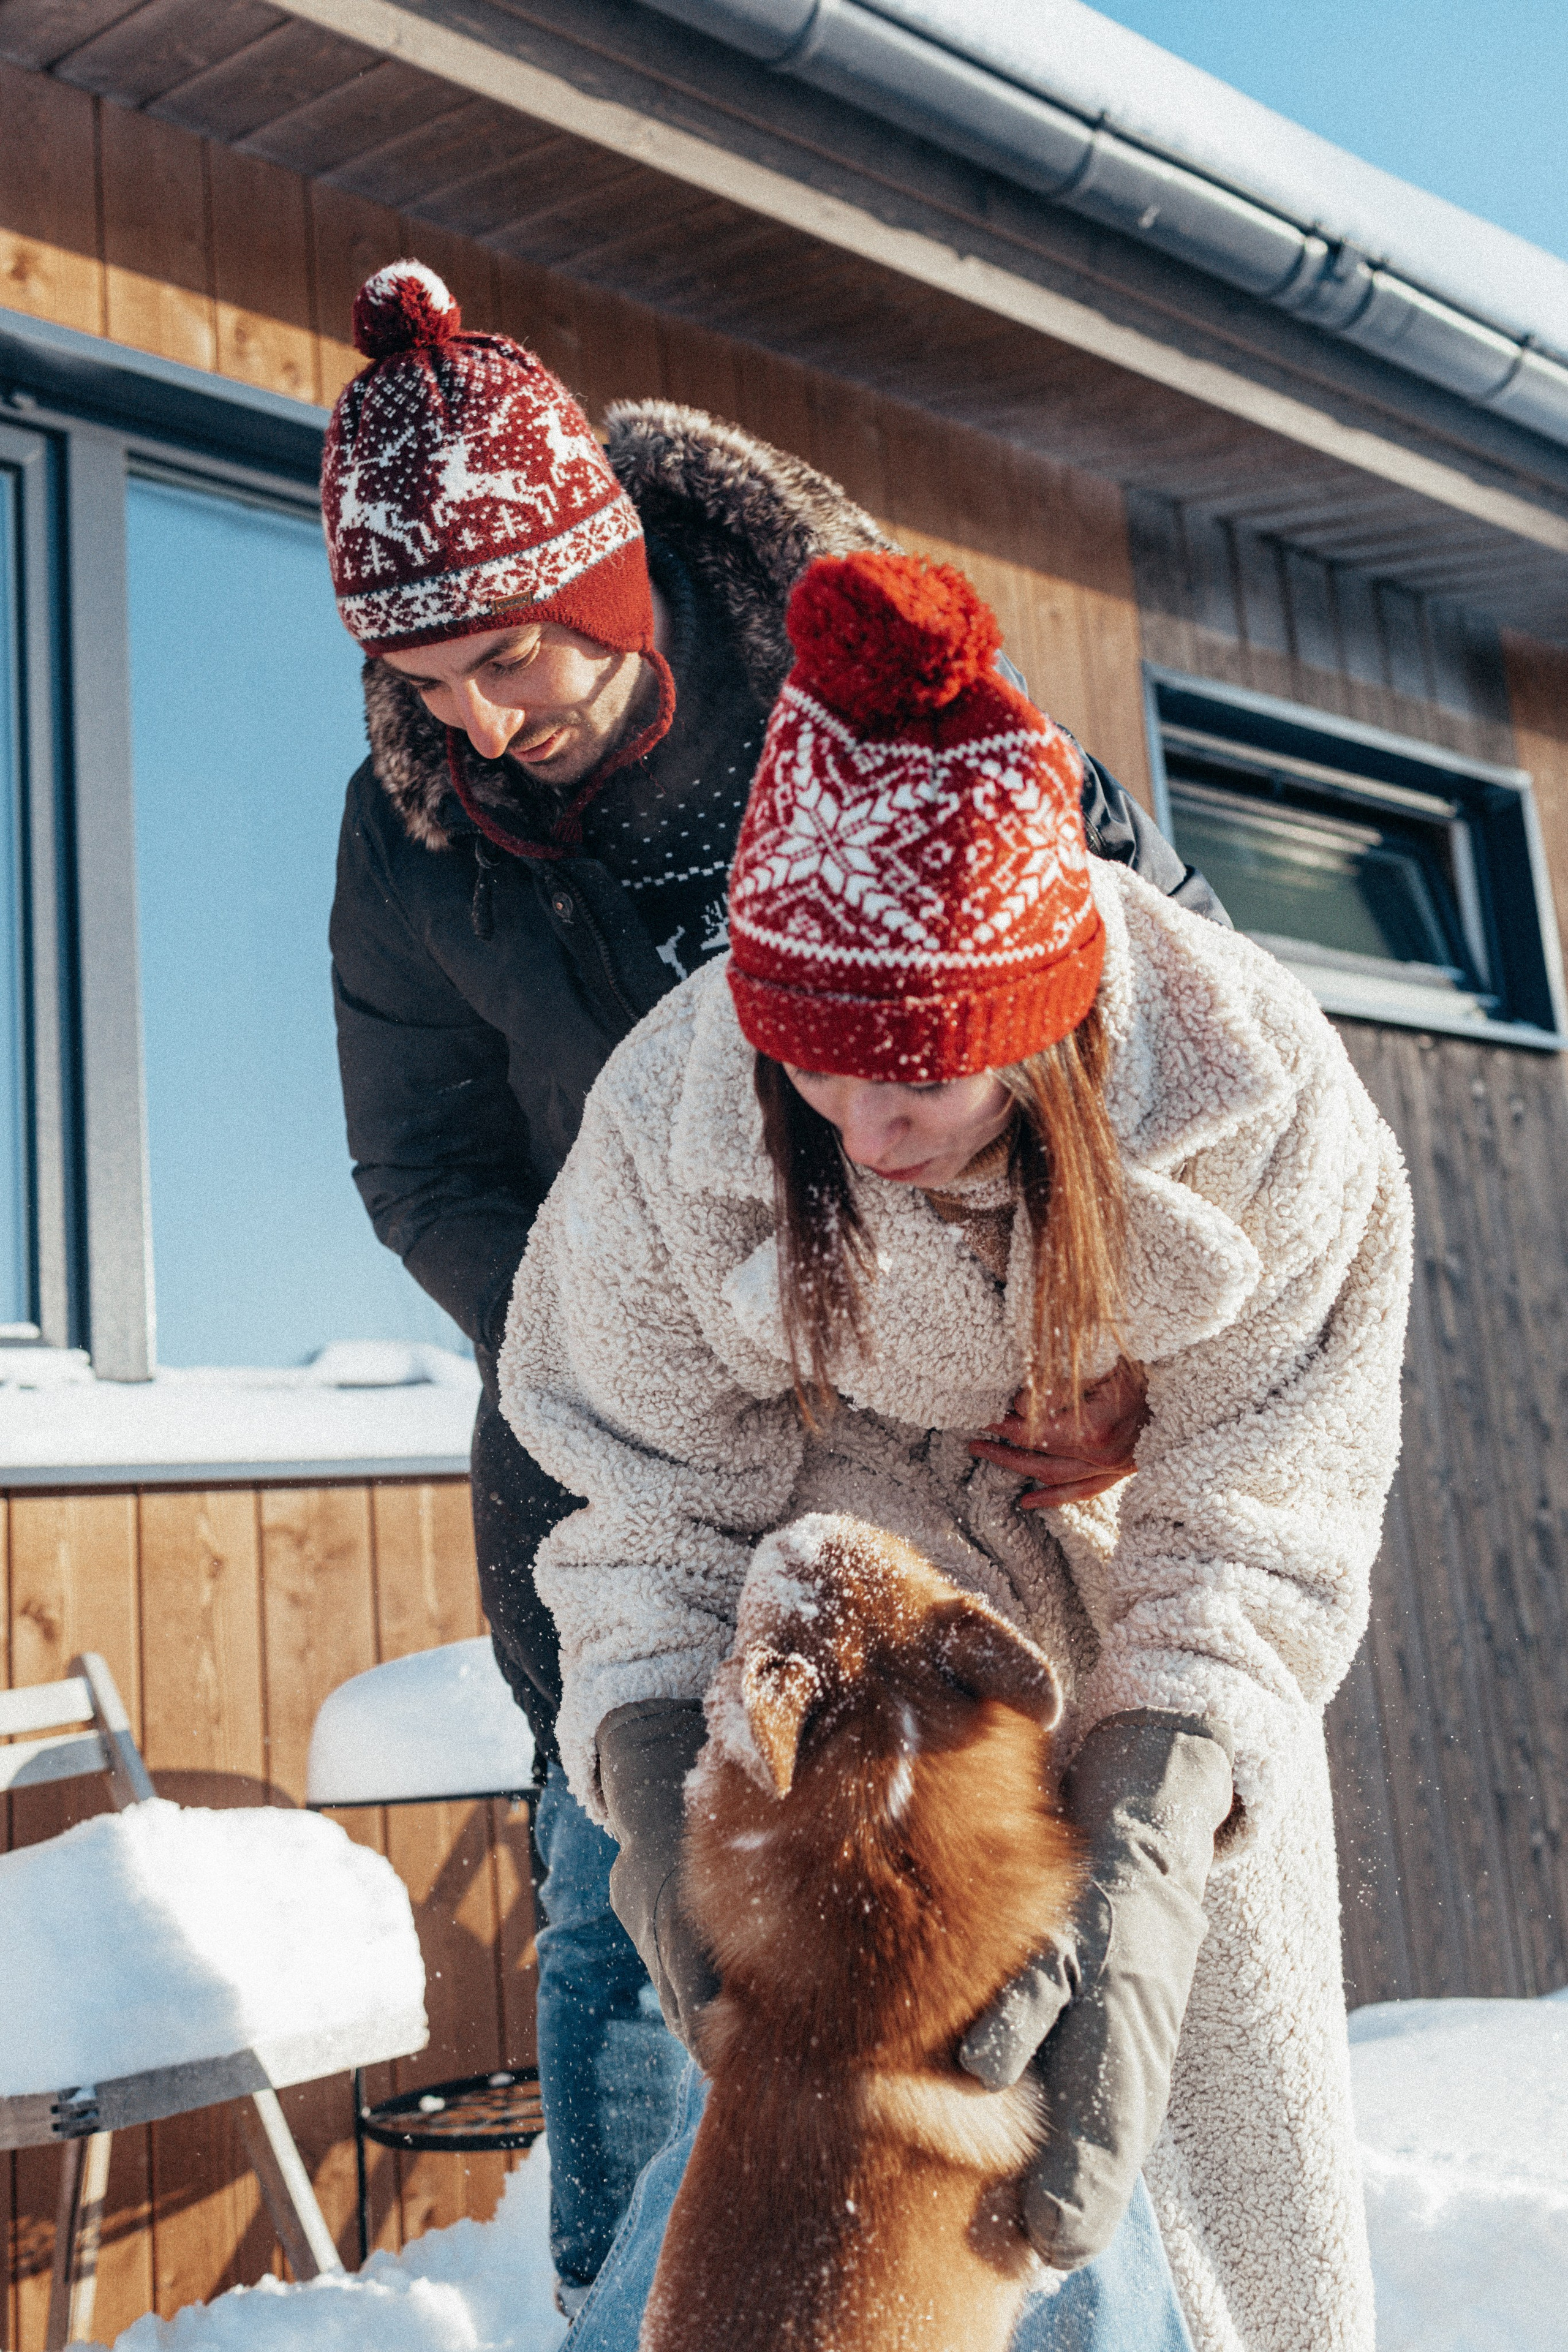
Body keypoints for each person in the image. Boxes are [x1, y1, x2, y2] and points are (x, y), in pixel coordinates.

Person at [319, 258, 1224, 2312]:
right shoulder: (413, 844)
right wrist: (662, 1333)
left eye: (509, 656)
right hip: (624, 1500)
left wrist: (1121, 1355)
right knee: (642, 2010)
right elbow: (423, 1166)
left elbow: (1153, 1010)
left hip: (954, 1532)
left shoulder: (897, 716)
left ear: (613, 571)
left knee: (1008, 2080)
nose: (478, 717)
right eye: (423, 675)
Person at [497, 552, 1412, 2350]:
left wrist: (1149, 1848)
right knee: (784, 2219)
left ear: (1048, 1024)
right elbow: (640, 1494)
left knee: (1171, 2168)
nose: (864, 1123)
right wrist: (660, 1764)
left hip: (1146, 1641)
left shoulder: (1256, 1099)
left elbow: (1266, 1500)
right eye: (817, 1076)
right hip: (855, 1735)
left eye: (916, 1075)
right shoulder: (670, 1116)